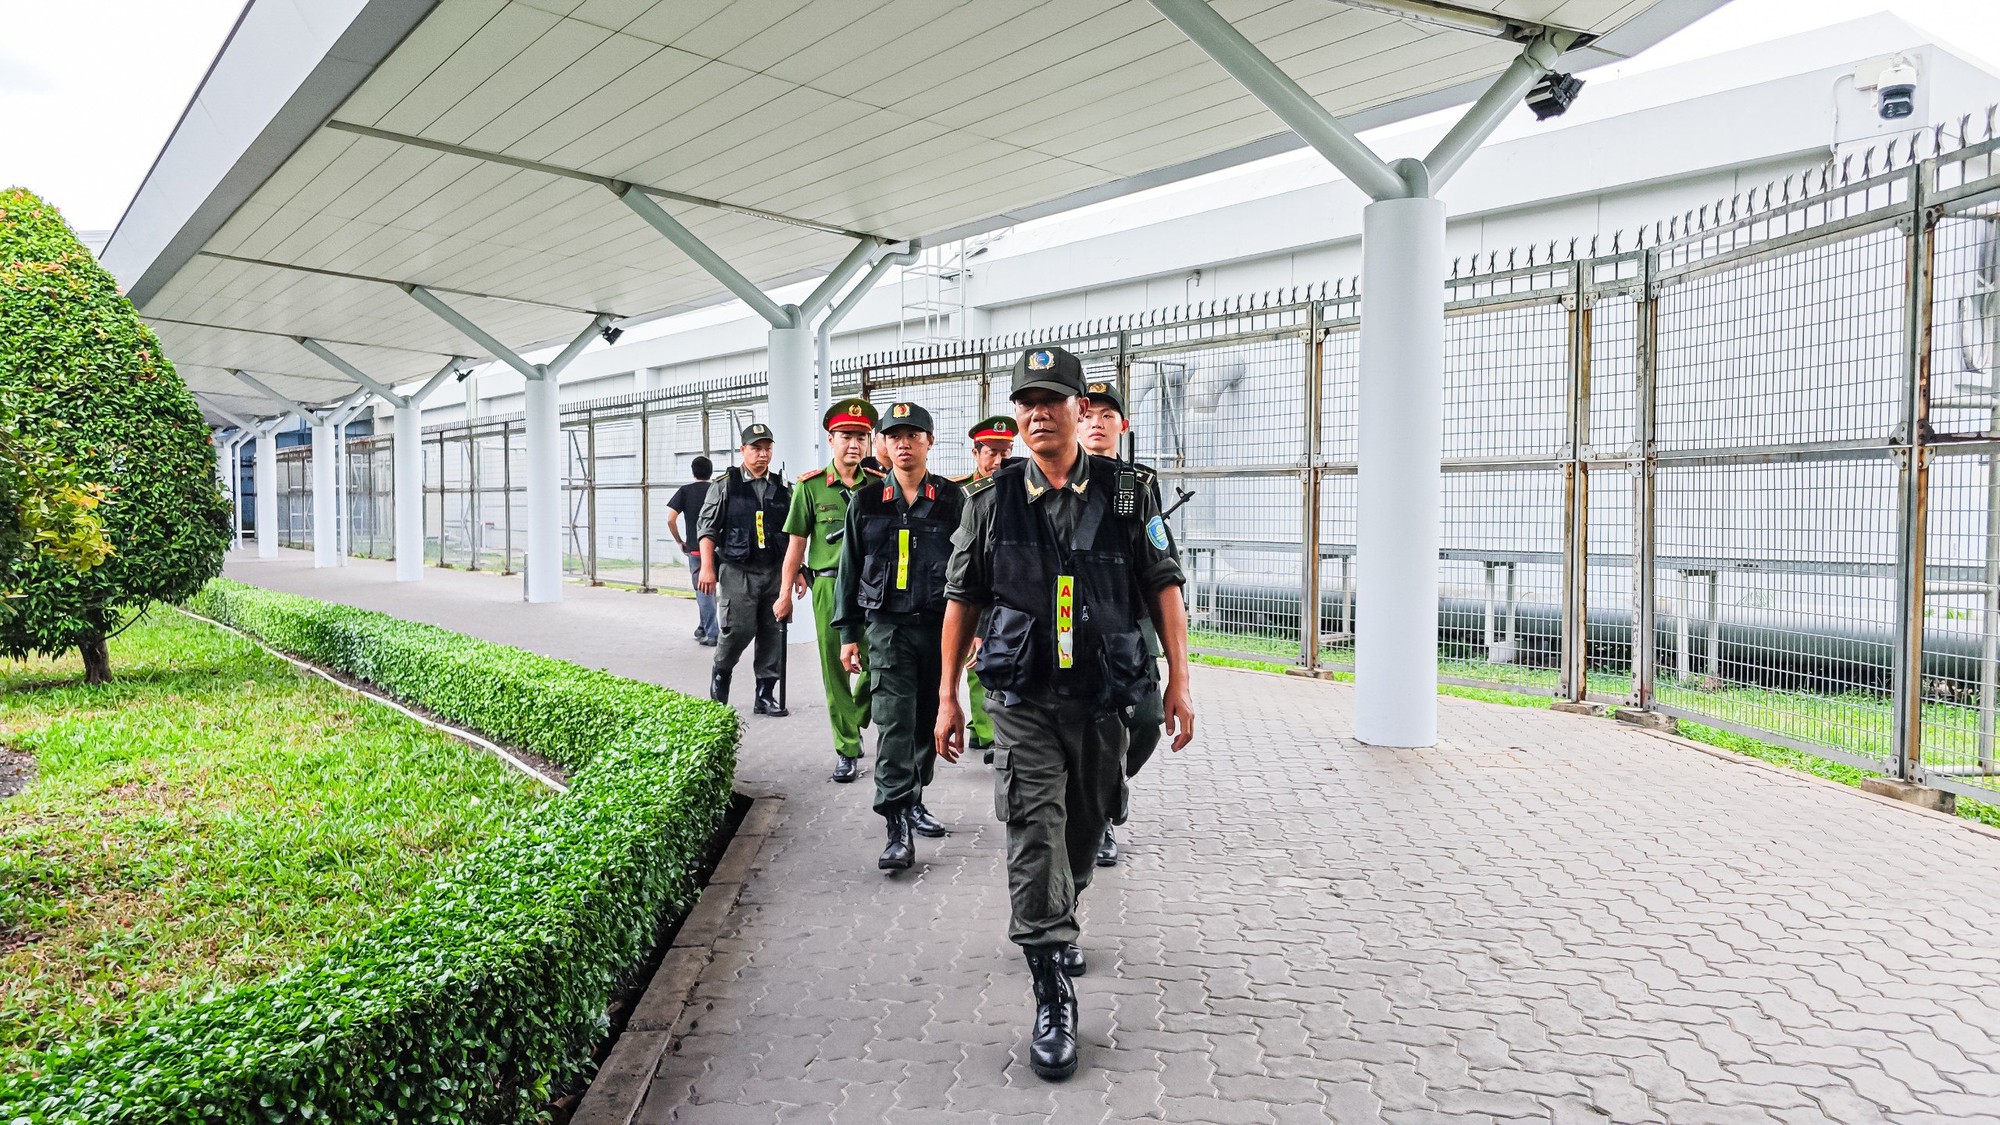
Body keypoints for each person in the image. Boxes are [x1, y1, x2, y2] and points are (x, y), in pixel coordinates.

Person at [935, 347, 1194, 1083]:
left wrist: (1179, 681)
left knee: (1085, 826)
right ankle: (1052, 988)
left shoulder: (1124, 493)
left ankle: (1064, 904)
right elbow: (962, 601)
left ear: (1083, 409)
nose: (1038, 413)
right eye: (1027, 402)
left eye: (1053, 399)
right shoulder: (991, 501)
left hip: (1103, 697)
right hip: (1020, 699)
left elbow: (1163, 584)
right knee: (1034, 827)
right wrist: (948, 695)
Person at [835, 401, 964, 870]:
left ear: (929, 441)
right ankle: (896, 824)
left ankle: (915, 797)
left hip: (938, 627)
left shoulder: (952, 500)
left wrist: (973, 632)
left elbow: (971, 572)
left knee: (929, 719)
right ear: (883, 445)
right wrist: (849, 633)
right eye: (894, 436)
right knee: (893, 721)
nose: (903, 443)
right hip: (886, 629)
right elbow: (849, 568)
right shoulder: (867, 502)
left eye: (913, 435)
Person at [1077, 381, 1172, 868]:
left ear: (1122, 426)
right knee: (1096, 724)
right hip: (1079, 625)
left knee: (1149, 722)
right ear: (1077, 419)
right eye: (1090, 414)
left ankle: (1109, 793)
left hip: (1130, 625)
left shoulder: (1140, 486)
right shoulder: (1058, 479)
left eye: (1108, 415)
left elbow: (1161, 566)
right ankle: (1103, 818)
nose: (1098, 422)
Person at [776, 399, 881, 783]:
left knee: (879, 660)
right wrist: (785, 592)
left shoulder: (878, 486)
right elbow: (796, 545)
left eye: (861, 437)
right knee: (835, 668)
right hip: (828, 584)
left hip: (872, 586)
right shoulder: (811, 487)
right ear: (831, 440)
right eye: (846, 437)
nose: (854, 444)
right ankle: (848, 748)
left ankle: (856, 713)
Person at [696, 423, 792, 715]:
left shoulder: (783, 487)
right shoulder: (725, 484)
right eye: (755, 448)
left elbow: (794, 533)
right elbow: (707, 528)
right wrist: (707, 568)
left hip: (774, 570)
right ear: (743, 450)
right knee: (737, 629)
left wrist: (796, 570)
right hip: (738, 570)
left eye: (767, 448)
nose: (762, 455)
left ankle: (765, 694)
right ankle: (721, 677)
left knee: (772, 631)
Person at [954, 415, 1020, 764]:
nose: (998, 461)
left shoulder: (1017, 486)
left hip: (1003, 591)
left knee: (991, 665)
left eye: (1005, 452)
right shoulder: (959, 492)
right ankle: (983, 732)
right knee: (971, 662)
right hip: (967, 590)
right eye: (991, 452)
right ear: (976, 452)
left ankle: (989, 735)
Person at [665, 456, 719, 646]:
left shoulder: (685, 491)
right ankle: (703, 626)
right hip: (720, 549)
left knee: (704, 591)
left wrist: (680, 541)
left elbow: (671, 519)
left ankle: (713, 633)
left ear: (693, 471)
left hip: (696, 549)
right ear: (711, 471)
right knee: (711, 591)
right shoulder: (718, 489)